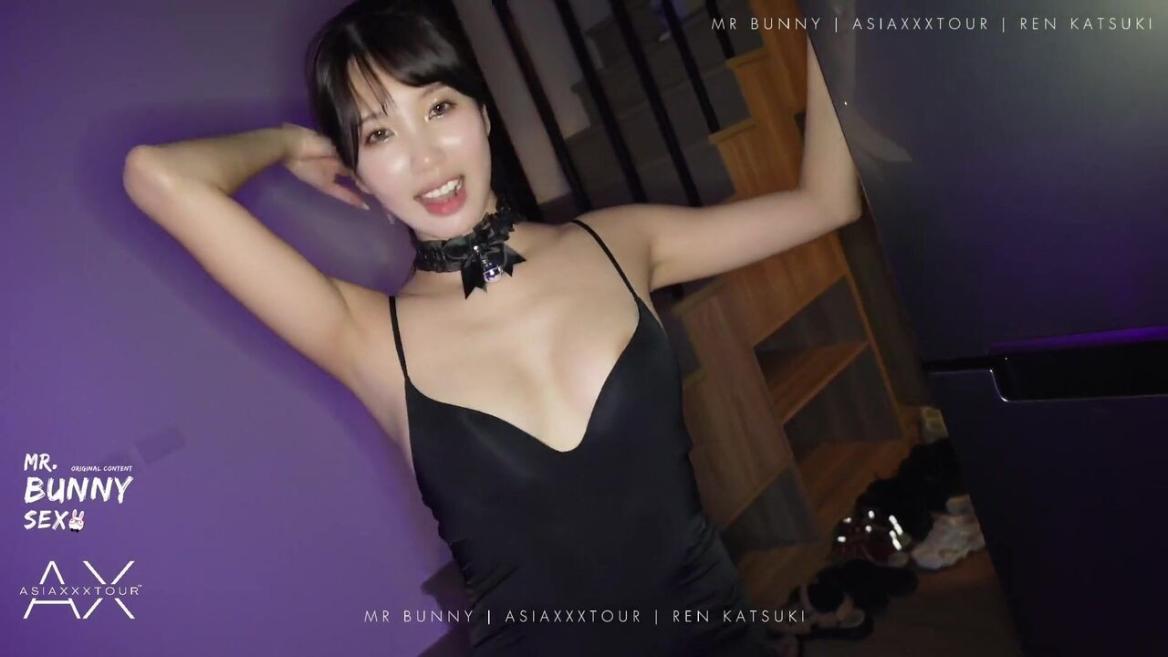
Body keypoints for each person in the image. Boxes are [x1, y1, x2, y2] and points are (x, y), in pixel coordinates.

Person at [122, 1, 861, 654]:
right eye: (379, 134)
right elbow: (159, 176)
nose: (424, 157)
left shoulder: (620, 241)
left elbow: (828, 201)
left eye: (438, 107)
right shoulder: (365, 335)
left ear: (482, 113)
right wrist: (290, 143)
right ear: (356, 169)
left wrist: (841, 19)